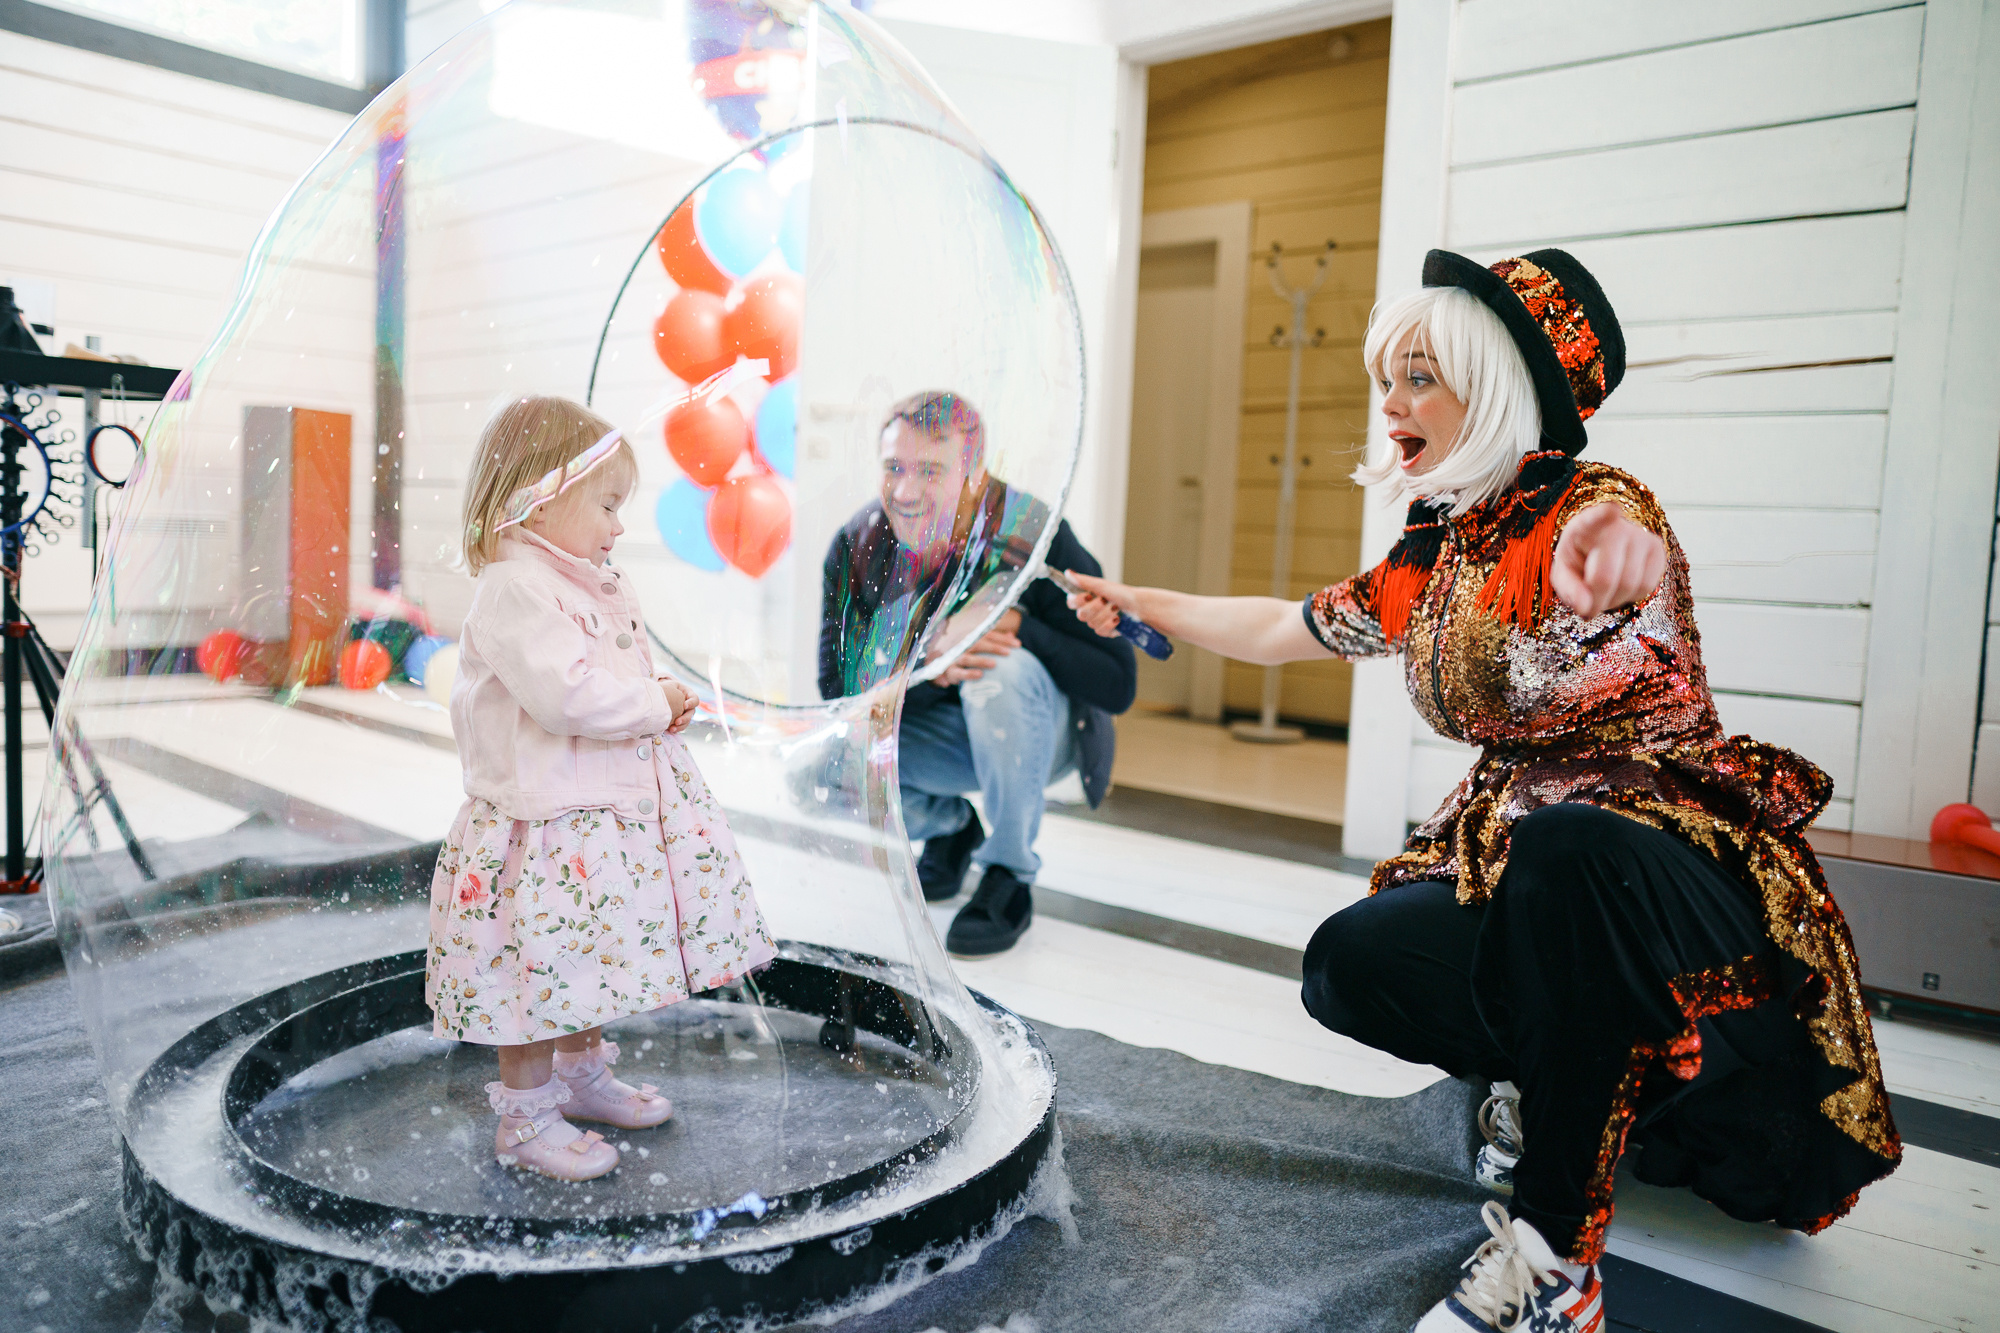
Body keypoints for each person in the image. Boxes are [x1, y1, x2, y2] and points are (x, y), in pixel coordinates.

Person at [1066, 250, 1900, 1332]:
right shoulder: (1438, 554)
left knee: (1567, 850)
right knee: (1347, 960)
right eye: (1386, 375)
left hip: (1662, 867)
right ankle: (1559, 1080)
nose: (1389, 400)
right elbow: (1284, 626)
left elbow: (1619, 547)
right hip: (1531, 860)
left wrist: (1612, 555)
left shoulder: (1590, 509)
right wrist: (1139, 600)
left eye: (1418, 375)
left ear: (1495, 387)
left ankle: (1555, 1262)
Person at [427, 395, 775, 1183]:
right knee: (532, 972)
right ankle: (526, 1117)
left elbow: (598, 679)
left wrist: (653, 690)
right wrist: (654, 700)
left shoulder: (583, 580)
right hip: (542, 824)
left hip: (587, 821)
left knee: (582, 959)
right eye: (608, 505)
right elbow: (567, 696)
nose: (619, 526)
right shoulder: (517, 586)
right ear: (537, 498)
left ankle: (580, 1074)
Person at [820, 391, 1135, 956]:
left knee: (1002, 671)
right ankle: (951, 826)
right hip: (941, 737)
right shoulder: (858, 545)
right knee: (819, 765)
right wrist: (928, 661)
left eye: (931, 470)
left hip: (1040, 733)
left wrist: (1016, 622)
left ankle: (1009, 876)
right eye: (894, 467)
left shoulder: (1032, 532)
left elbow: (1118, 683)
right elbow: (835, 693)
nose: (906, 490)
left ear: (974, 473)